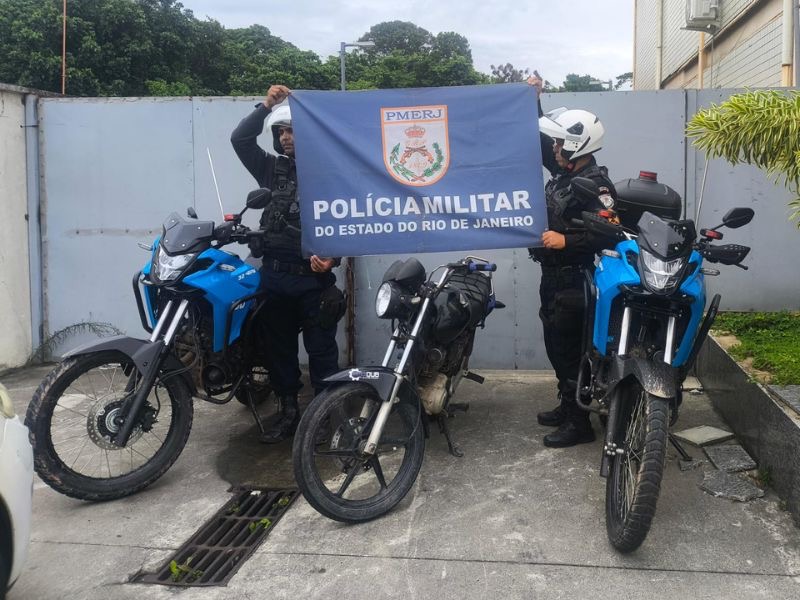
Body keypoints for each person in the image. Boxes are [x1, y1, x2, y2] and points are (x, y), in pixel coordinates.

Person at [231, 84, 345, 444]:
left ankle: (327, 419)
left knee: (322, 354)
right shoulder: (270, 170)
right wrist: (266, 106)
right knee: (278, 352)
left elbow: (349, 223)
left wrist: (333, 257)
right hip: (274, 279)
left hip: (312, 283)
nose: (285, 138)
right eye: (281, 132)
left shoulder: (330, 175)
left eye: (291, 130)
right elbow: (240, 140)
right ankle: (288, 414)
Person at [527, 73, 618, 448]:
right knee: (555, 344)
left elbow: (612, 231)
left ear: (578, 147)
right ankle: (568, 405)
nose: (556, 150)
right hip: (554, 277)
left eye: (562, 144)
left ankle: (580, 424)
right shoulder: (566, 171)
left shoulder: (596, 185)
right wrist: (532, 101)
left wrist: (566, 239)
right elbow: (539, 144)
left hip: (577, 279)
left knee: (570, 350)